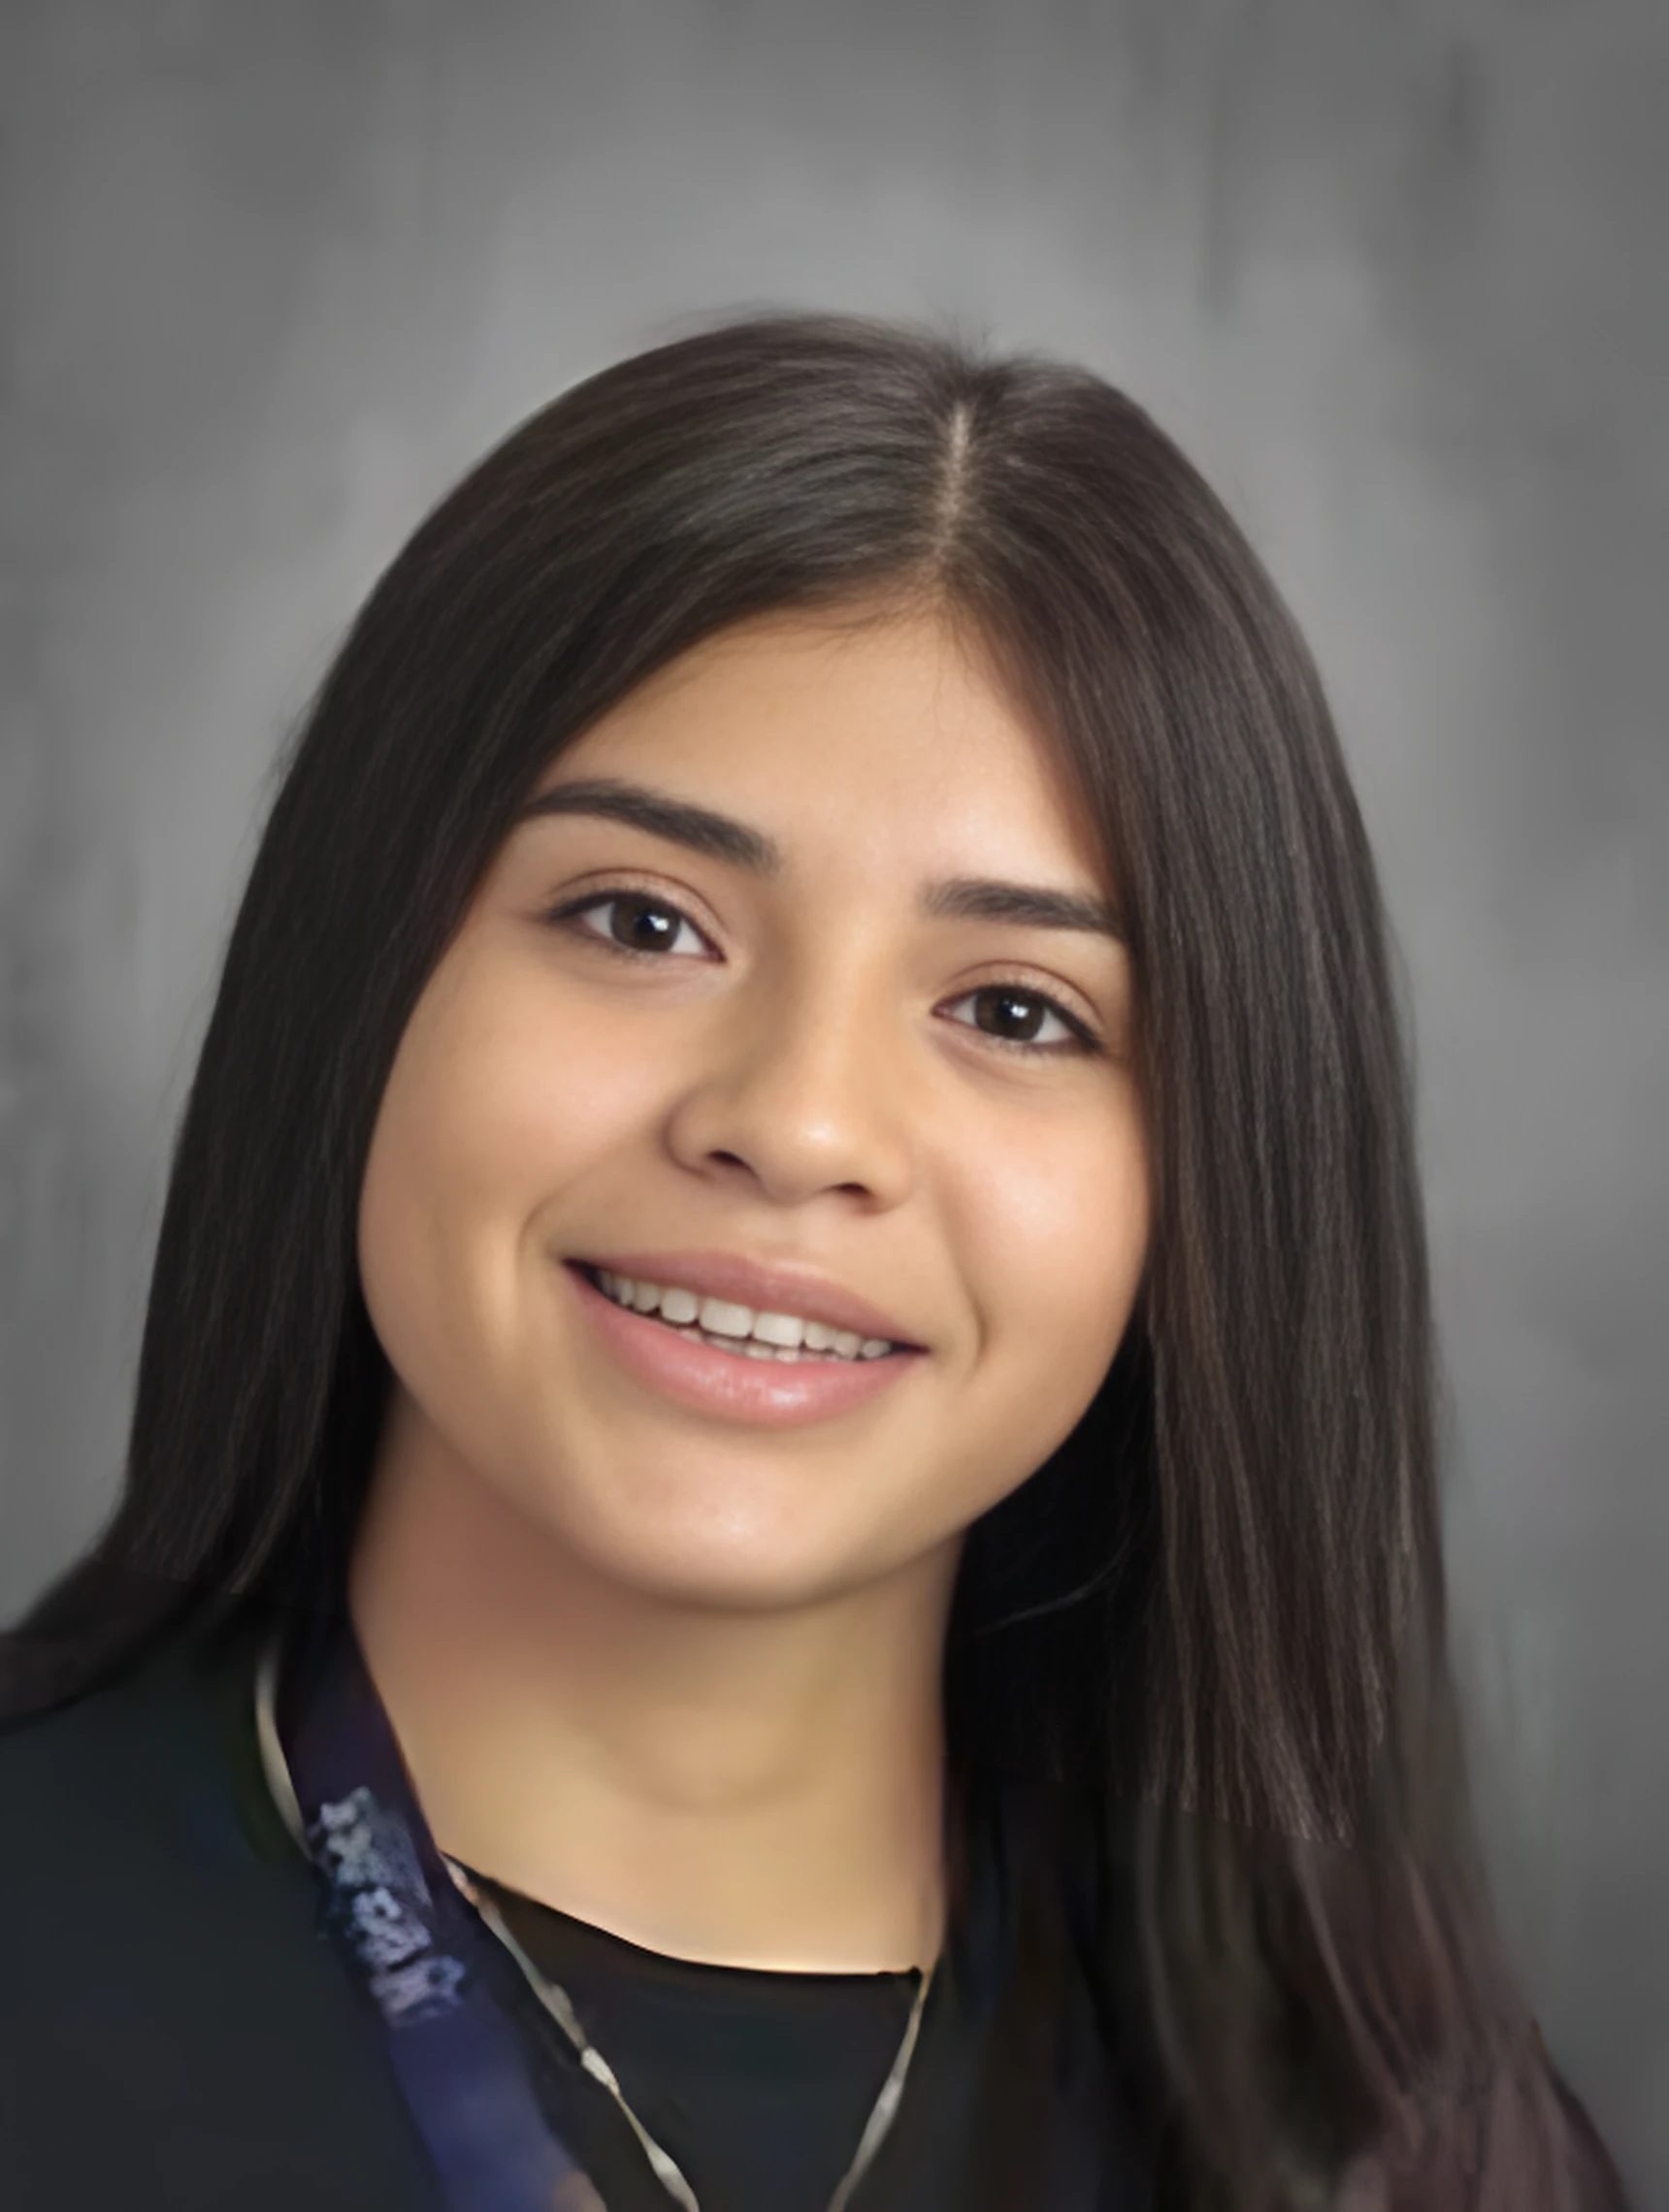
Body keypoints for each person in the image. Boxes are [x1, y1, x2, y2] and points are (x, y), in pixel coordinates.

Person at [0, 309, 1632, 2212]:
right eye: (639, 918)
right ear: (357, 976)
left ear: (1208, 1195)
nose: (797, 1124)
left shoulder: (1413, 2162)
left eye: (1015, 1013)